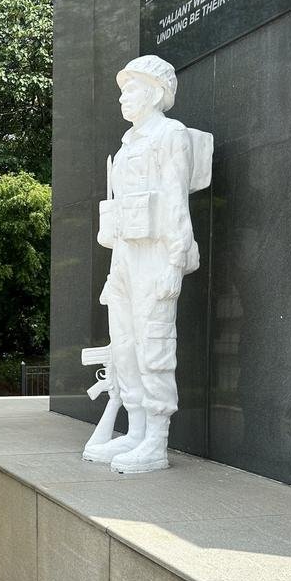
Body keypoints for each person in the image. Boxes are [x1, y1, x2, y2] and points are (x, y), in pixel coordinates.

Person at [85, 55, 204, 472]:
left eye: (130, 88)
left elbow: (175, 200)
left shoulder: (170, 135)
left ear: (154, 90)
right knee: (125, 341)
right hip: (125, 255)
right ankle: (135, 430)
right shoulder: (127, 143)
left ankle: (156, 439)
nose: (122, 98)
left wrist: (175, 260)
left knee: (153, 341)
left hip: (156, 252)